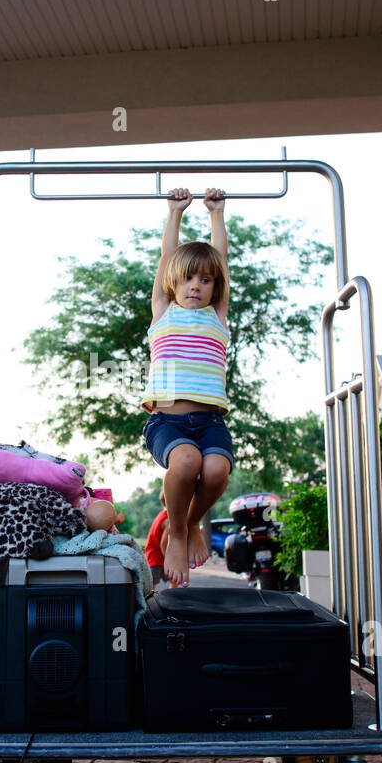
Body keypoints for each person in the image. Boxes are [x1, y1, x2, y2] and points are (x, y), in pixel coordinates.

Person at [140, 186, 233, 587]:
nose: (196, 285)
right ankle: (176, 533)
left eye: (206, 279)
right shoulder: (163, 313)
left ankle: (192, 523)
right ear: (173, 284)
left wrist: (217, 214)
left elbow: (222, 260)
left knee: (216, 470)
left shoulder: (217, 316)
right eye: (188, 278)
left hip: (210, 422)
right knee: (187, 463)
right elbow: (166, 258)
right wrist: (175, 212)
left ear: (215, 288)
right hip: (167, 423)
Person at [144, 492, 170, 589]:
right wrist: (169, 560)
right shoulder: (168, 520)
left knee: (152, 585)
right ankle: (173, 601)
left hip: (153, 555)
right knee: (151, 587)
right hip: (157, 557)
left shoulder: (160, 515)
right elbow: (164, 544)